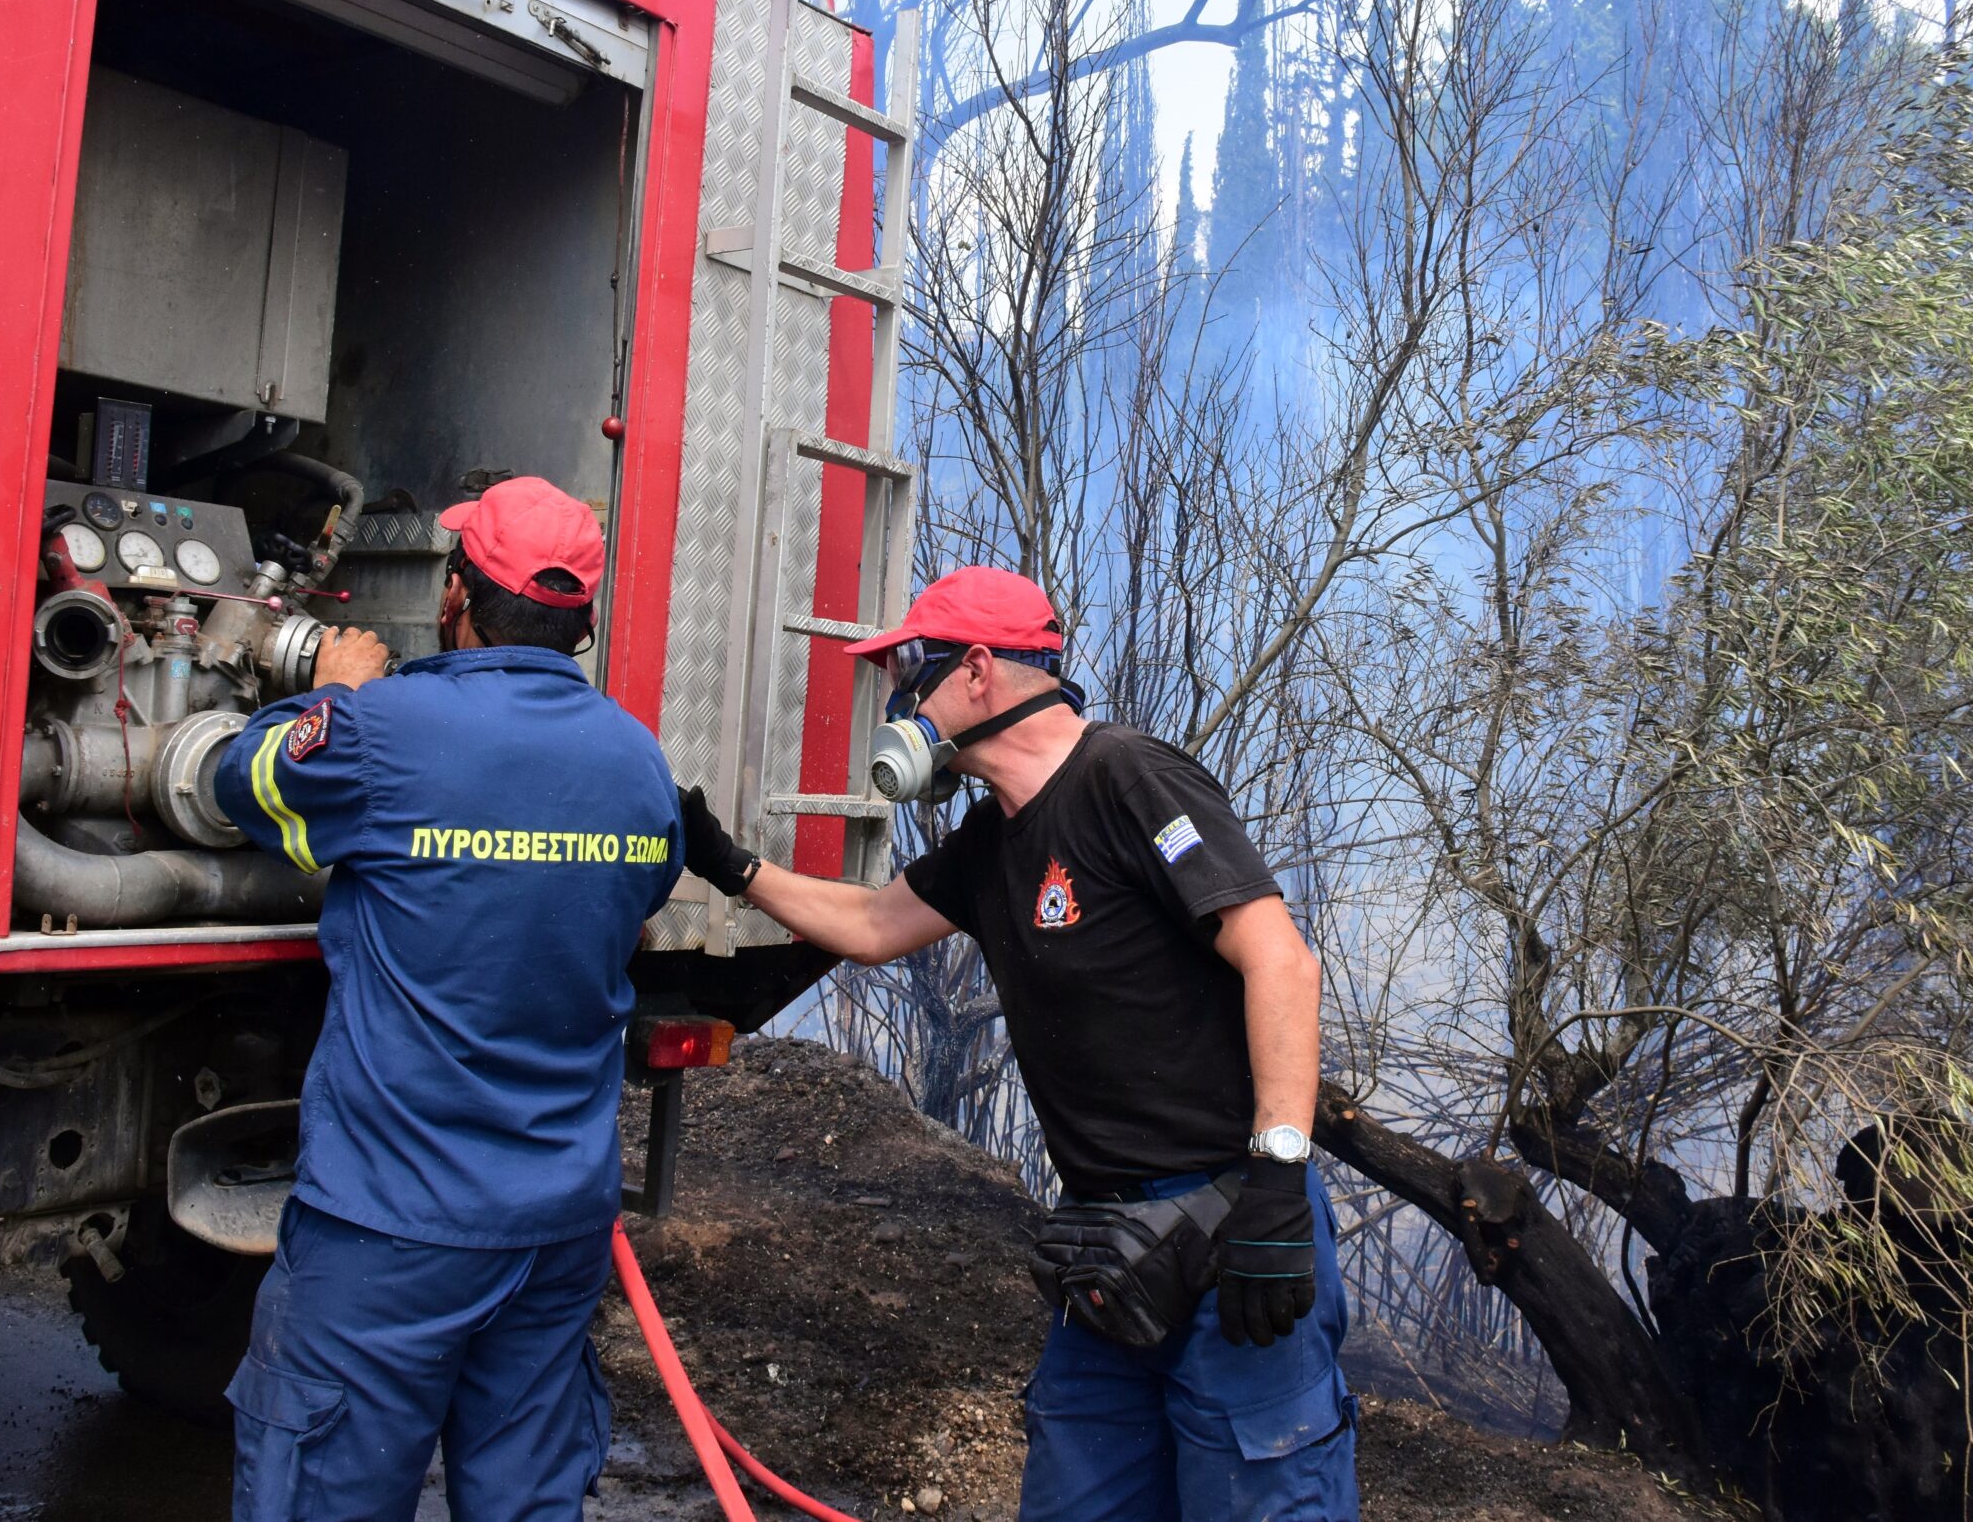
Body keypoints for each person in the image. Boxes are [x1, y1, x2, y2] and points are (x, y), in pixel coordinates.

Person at [679, 566, 1358, 1522]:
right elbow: (874, 924)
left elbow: (1281, 961)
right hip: (1106, 1245)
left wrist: (1280, 1183)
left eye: (913, 670)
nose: (898, 698)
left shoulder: (1128, 778)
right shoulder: (992, 842)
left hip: (1235, 1229)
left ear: (981, 672)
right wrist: (732, 865)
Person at [213, 476, 683, 1522]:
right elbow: (632, 912)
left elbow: (241, 785)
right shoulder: (638, 765)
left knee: (324, 1494)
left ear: (453, 596)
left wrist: (326, 689)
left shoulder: (382, 731)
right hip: (555, 1226)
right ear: (583, 623)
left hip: (392, 1227)